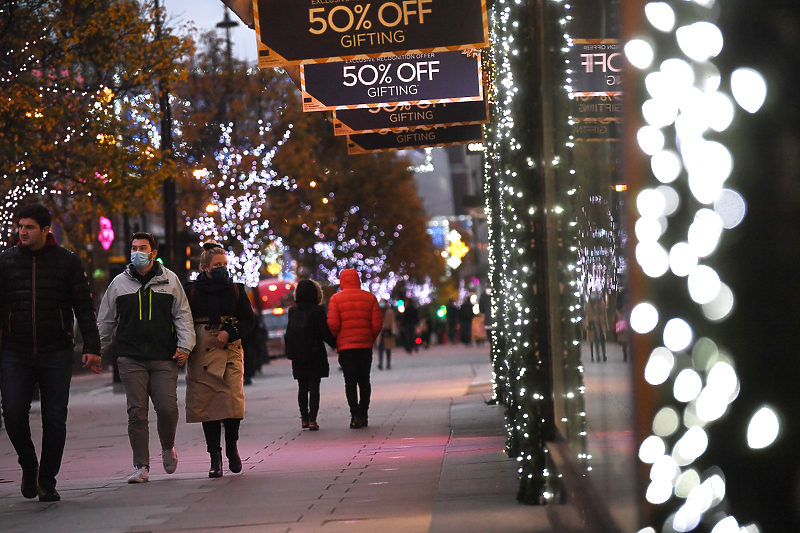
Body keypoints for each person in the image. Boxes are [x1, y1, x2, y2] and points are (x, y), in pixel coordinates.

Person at [0, 203, 102, 502]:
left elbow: (84, 307)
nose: (23, 232)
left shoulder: (66, 261)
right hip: (14, 351)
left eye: (29, 227)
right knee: (13, 413)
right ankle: (29, 464)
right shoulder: (6, 261)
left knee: (54, 418)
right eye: (20, 226)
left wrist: (93, 348)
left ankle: (47, 479)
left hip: (55, 351)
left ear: (46, 231)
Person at [97, 232, 195, 484]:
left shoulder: (169, 280)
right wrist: (96, 349)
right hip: (130, 357)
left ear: (153, 252)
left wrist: (185, 346)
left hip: (164, 356)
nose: (137, 252)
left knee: (166, 408)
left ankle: (167, 446)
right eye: (133, 247)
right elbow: (106, 319)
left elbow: (182, 315)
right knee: (137, 412)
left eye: (142, 247)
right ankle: (141, 466)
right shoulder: (119, 283)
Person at [184, 244, 255, 477]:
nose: (222, 269)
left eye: (224, 264)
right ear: (204, 268)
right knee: (207, 405)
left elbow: (248, 320)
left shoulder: (235, 289)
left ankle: (232, 447)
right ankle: (214, 455)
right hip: (202, 352)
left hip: (230, 352)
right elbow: (182, 320)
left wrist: (230, 332)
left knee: (233, 403)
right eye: (217, 265)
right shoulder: (192, 291)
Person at [327, 269, 382, 429]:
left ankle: (355, 415)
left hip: (346, 348)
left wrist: (339, 339)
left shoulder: (336, 299)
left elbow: (333, 324)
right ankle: (364, 413)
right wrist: (369, 338)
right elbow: (377, 324)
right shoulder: (370, 298)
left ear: (341, 281)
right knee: (364, 380)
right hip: (365, 346)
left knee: (350, 381)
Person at [284, 279, 336, 431]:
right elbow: (324, 332)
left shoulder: (292, 311)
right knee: (314, 388)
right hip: (314, 354)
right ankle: (313, 419)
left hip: (298, 354)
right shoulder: (317, 311)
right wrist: (335, 344)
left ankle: (304, 419)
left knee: (302, 387)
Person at [586, 291, 608, 363]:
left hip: (601, 325)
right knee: (596, 341)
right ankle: (598, 356)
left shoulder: (602, 304)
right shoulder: (590, 305)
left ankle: (603, 355)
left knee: (602, 341)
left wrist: (607, 325)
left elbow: (605, 315)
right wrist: (588, 324)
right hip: (594, 325)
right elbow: (588, 315)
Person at [377, 300, 396, 370]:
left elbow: (393, 322)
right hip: (380, 332)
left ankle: (388, 363)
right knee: (380, 348)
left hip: (388, 331)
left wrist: (393, 331)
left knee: (388, 348)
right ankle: (380, 363)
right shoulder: (377, 312)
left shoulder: (390, 312)